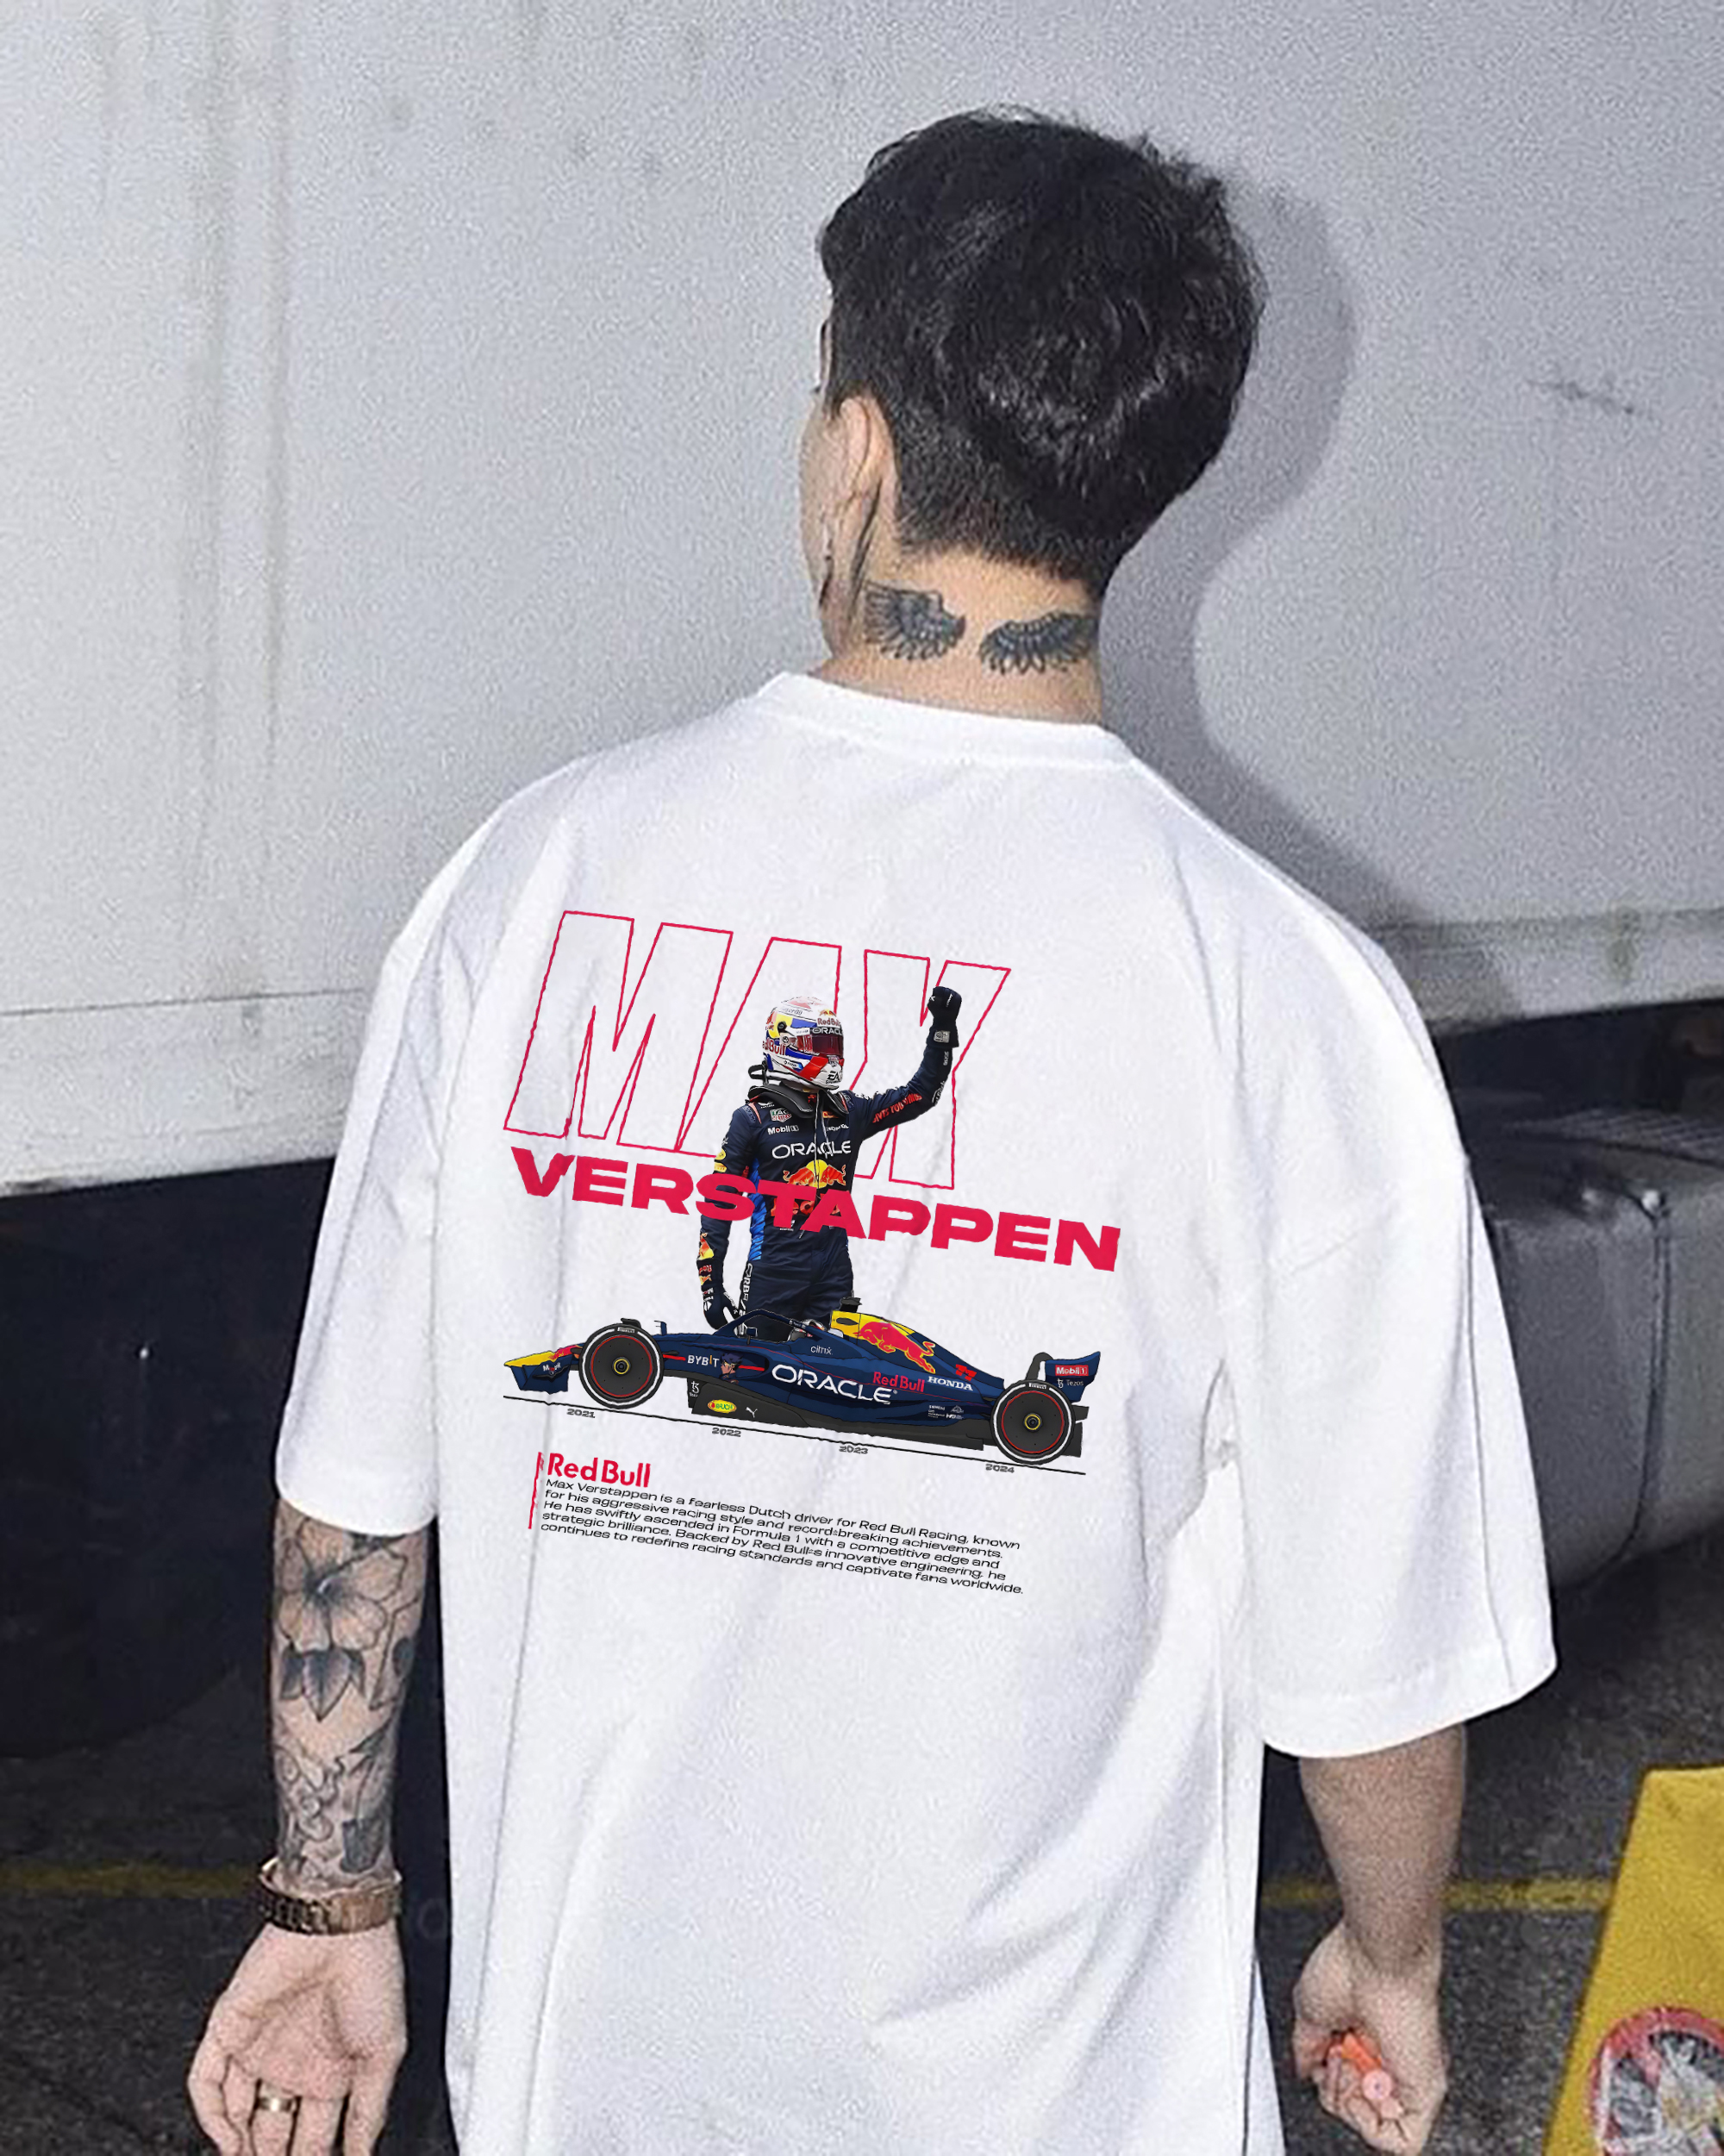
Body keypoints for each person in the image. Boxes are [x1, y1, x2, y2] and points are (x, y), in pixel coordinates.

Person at [188, 104, 1557, 2156]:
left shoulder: (533, 879)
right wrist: (1393, 1954)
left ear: (853, 446)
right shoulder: (1287, 997)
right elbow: (1370, 1680)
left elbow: (355, 1489)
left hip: (595, 2086)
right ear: (1141, 486)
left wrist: (327, 1899)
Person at [697, 990, 960, 1330]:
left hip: (834, 1274)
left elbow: (920, 1095)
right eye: (821, 1045)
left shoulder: (850, 1111)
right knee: (752, 1364)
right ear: (786, 1046)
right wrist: (711, 1284)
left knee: (843, 1366)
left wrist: (942, 1029)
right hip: (775, 1272)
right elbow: (719, 1204)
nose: (831, 1056)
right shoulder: (751, 1119)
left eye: (835, 1045)